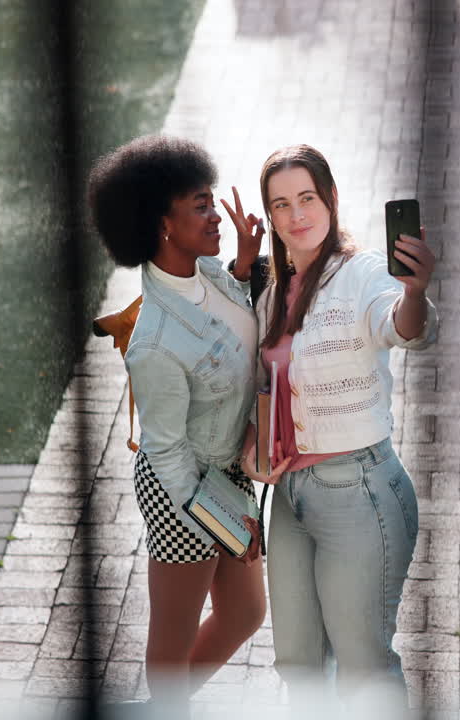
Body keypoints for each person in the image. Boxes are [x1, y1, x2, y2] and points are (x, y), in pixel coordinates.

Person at [240, 144, 438, 712]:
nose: (296, 214)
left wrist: (416, 292)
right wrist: (255, 449)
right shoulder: (274, 294)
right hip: (290, 500)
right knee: (298, 666)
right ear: (271, 216)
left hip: (360, 493)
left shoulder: (365, 273)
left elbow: (403, 326)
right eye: (281, 204)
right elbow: (267, 388)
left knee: (363, 668)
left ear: (330, 199)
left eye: (306, 198)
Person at [85, 134, 267, 709]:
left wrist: (241, 262)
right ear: (161, 224)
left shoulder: (207, 270)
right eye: (199, 205)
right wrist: (224, 524)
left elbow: (230, 310)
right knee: (174, 633)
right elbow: (165, 457)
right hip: (182, 494)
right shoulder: (155, 345)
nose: (215, 215)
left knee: (245, 612)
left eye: (210, 200)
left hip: (224, 468)